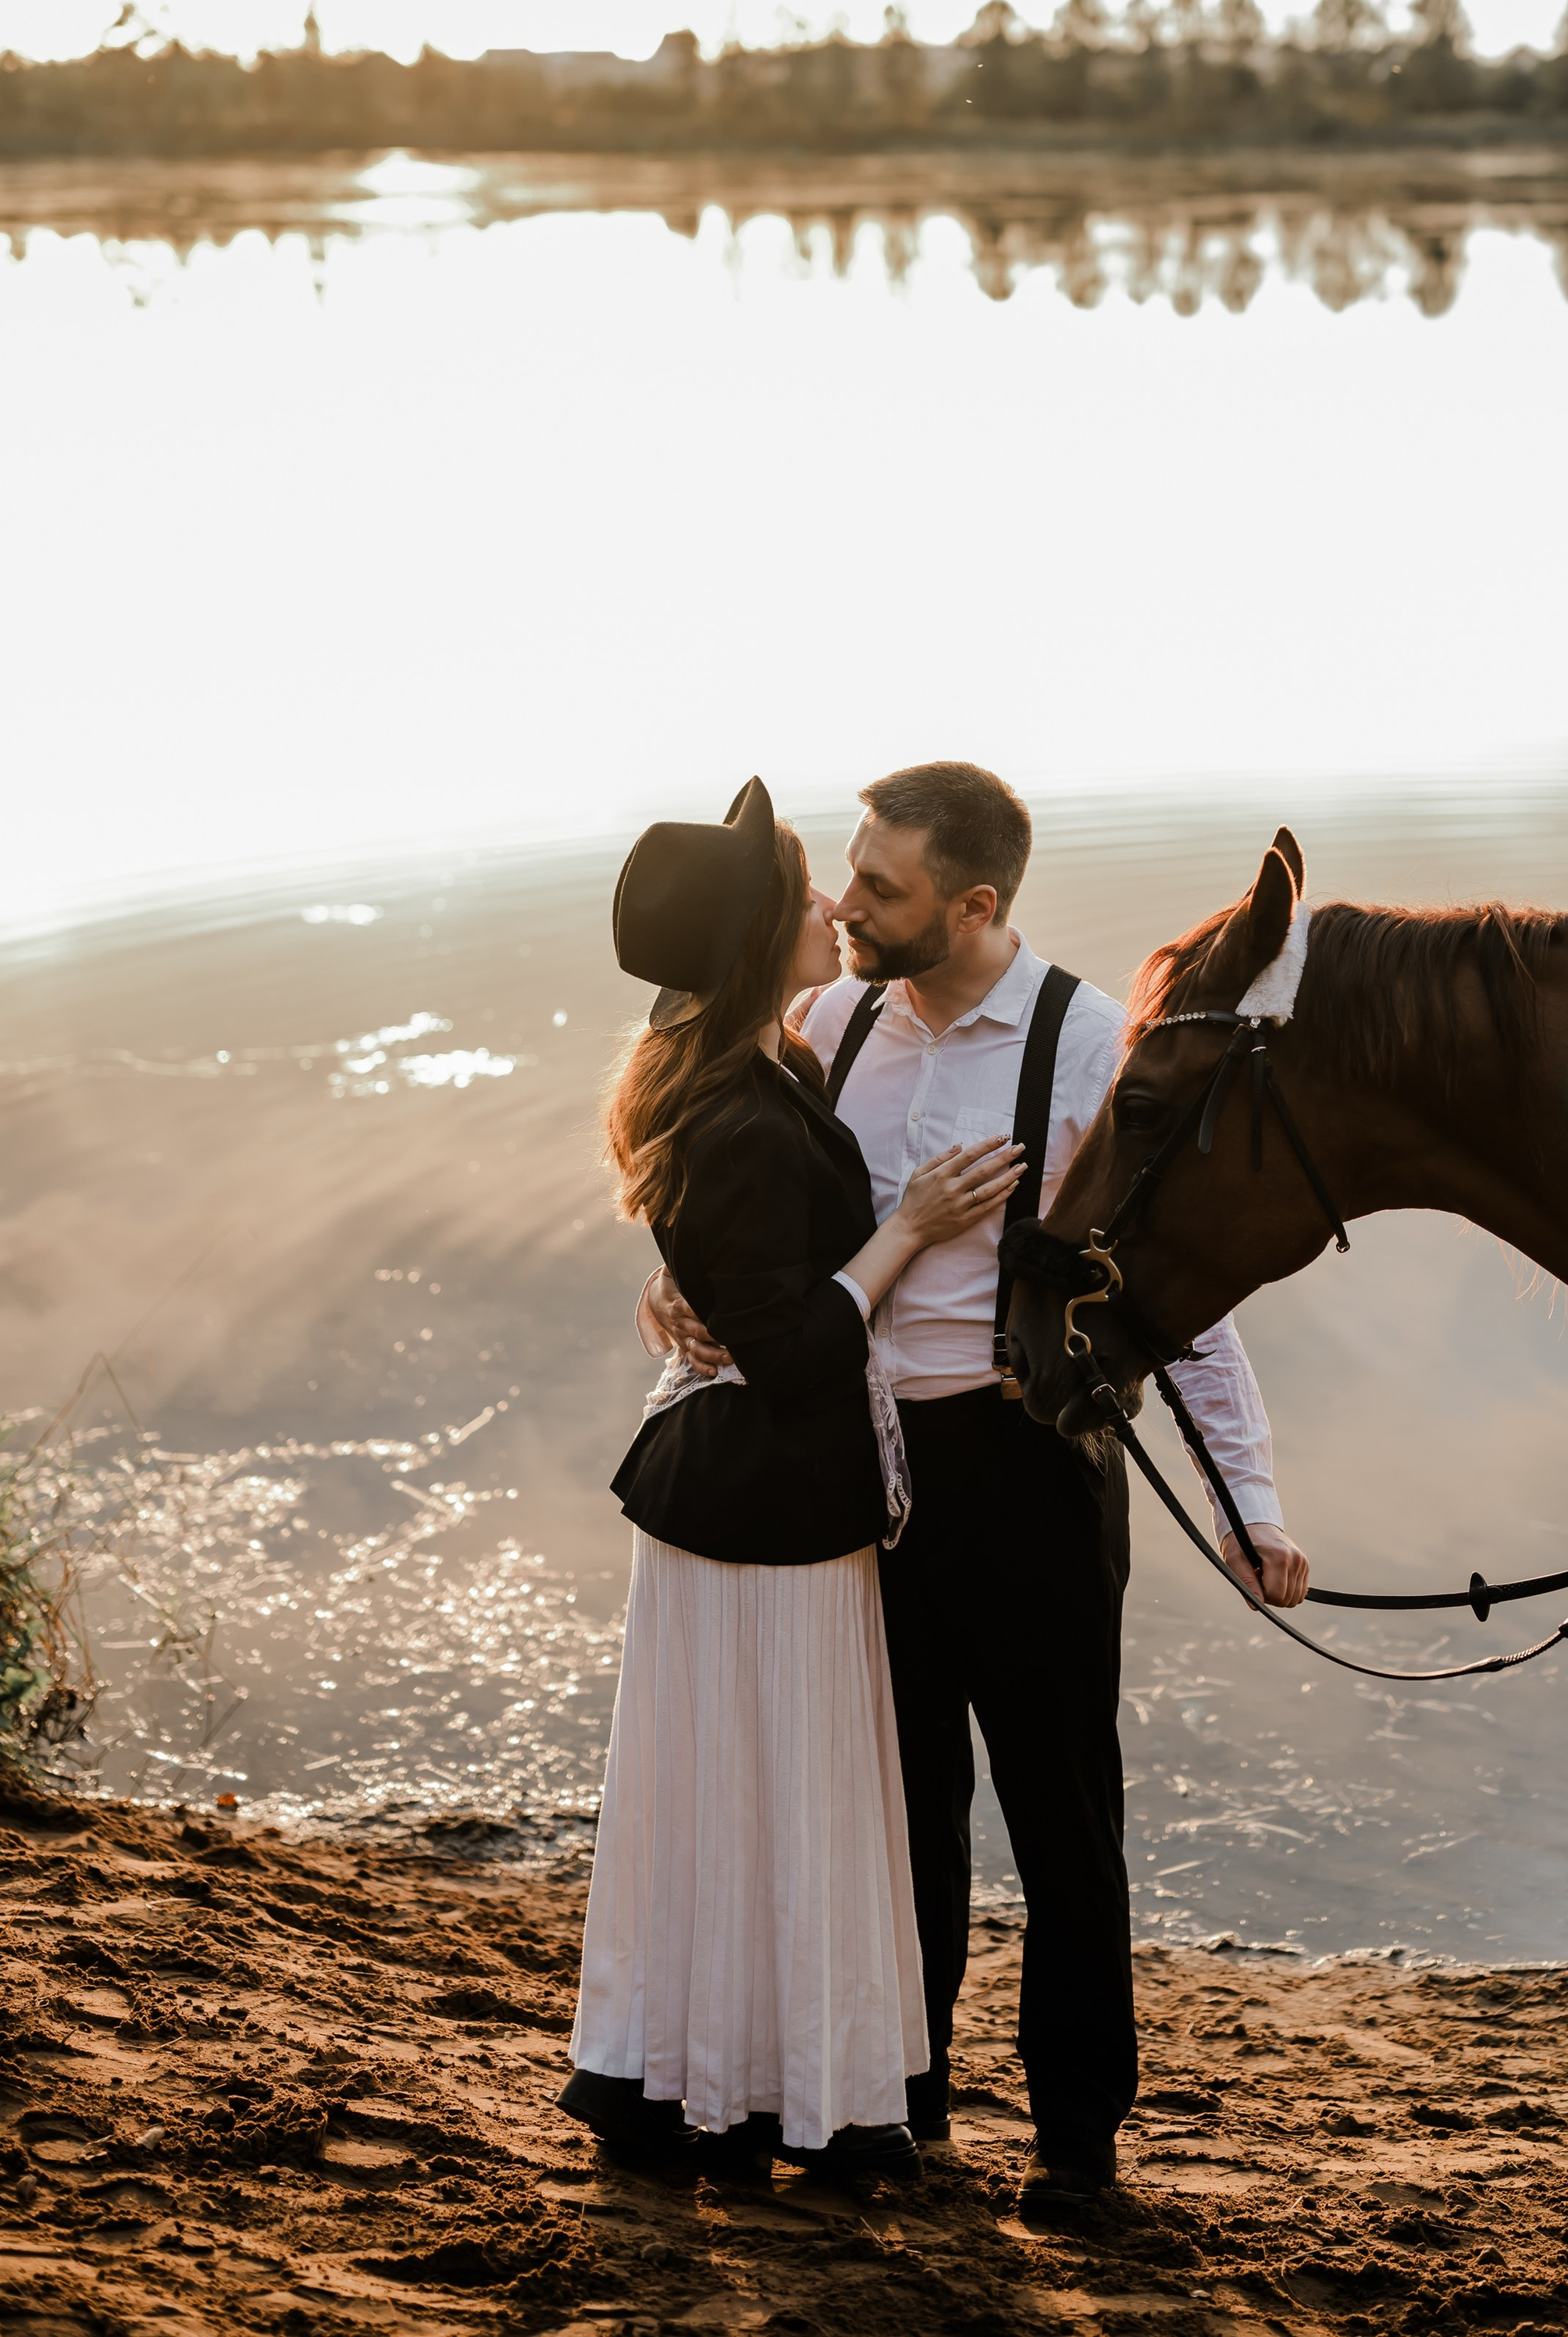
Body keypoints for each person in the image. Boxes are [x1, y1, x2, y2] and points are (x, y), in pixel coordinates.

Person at [642, 760, 1308, 2212]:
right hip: (858, 1477)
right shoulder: (830, 1017)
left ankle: (1077, 2147)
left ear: (977, 900)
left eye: (881, 886)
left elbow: (1186, 1302)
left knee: (1067, 1818)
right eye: (854, 873)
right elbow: (737, 1202)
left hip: (1031, 1468)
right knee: (901, 1813)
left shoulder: (1085, 1053)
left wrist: (1252, 1508)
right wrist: (676, 1286)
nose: (847, 903)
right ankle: (907, 2106)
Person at [560, 777, 1025, 2187]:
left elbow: (736, 1279)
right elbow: (803, 1347)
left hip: (745, 1497)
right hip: (767, 1504)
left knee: (734, 1798)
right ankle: (793, 2104)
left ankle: (721, 2085)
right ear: (764, 934)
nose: (834, 907)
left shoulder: (759, 1068)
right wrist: (910, 1230)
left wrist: (686, 1278)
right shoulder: (748, 1115)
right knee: (796, 1794)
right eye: (811, 890)